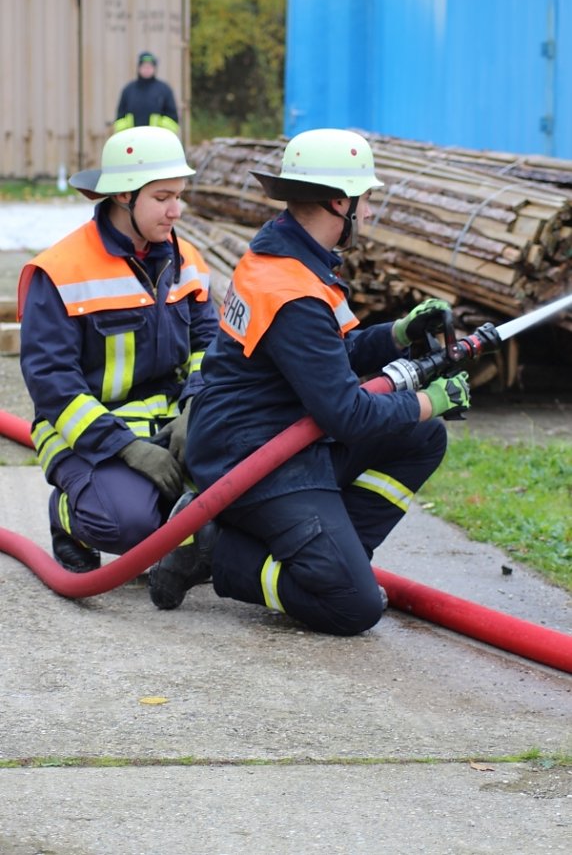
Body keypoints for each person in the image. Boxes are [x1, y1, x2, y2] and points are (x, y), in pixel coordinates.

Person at [148, 128, 471, 636]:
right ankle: (218, 553)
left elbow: (331, 353)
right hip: (255, 461)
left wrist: (398, 333)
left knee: (422, 439)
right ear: (340, 202)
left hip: (279, 438)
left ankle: (338, 560)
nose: (367, 214)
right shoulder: (292, 289)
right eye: (364, 202)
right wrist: (430, 400)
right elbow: (347, 413)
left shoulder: (292, 260)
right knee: (353, 608)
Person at [18, 126, 219, 572]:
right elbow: (53, 386)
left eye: (179, 196)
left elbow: (211, 347)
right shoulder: (62, 271)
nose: (176, 211)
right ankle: (69, 517)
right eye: (163, 197)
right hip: (86, 433)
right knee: (125, 525)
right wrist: (126, 448)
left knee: (248, 496)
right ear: (124, 195)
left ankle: (179, 525)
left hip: (172, 422)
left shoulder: (185, 260)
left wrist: (196, 409)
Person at [114, 51, 179, 134]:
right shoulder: (128, 90)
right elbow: (120, 119)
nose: (147, 69)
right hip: (133, 139)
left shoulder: (164, 89)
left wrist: (160, 130)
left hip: (157, 139)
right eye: (144, 66)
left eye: (150, 67)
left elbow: (173, 120)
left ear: (154, 68)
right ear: (139, 68)